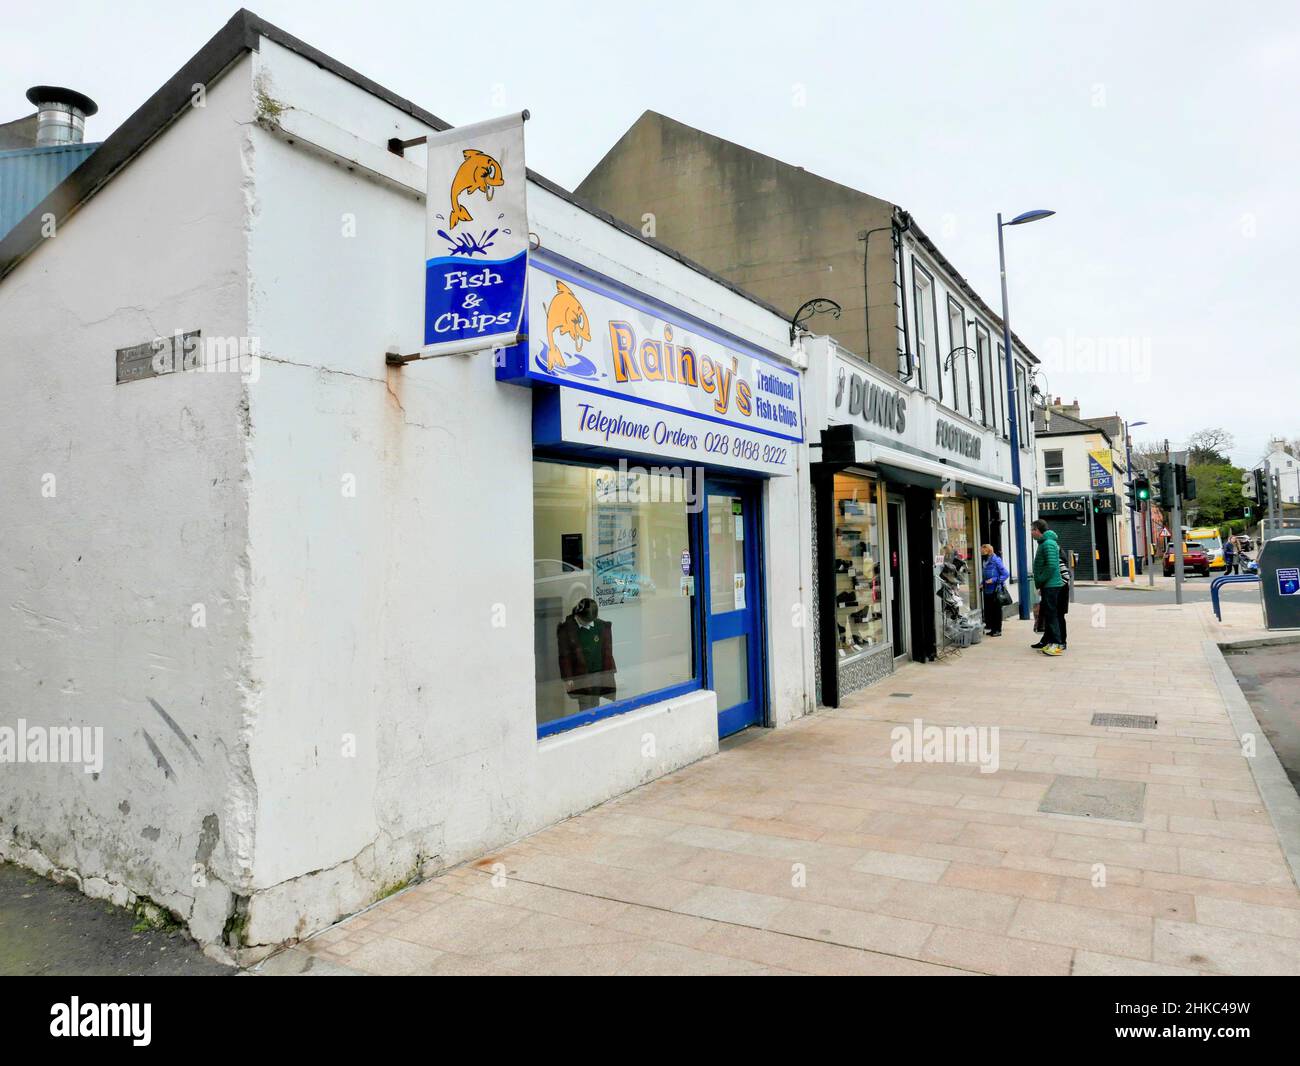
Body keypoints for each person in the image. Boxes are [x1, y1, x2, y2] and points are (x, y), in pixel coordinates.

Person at [1030, 519, 1066, 655]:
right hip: (1049, 584)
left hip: (1051, 585)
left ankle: (1056, 644)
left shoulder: (1048, 544)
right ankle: (1051, 641)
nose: (1031, 533)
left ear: (1037, 530)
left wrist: (1040, 579)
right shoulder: (1045, 543)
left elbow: (1051, 566)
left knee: (1052, 615)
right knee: (1049, 614)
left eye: (1032, 530)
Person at [980, 543, 1009, 636]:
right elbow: (985, 575)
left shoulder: (996, 560)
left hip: (996, 590)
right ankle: (993, 629)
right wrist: (982, 583)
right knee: (990, 610)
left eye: (982, 549)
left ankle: (998, 630)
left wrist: (993, 580)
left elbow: (1005, 574)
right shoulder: (986, 560)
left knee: (996, 610)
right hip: (987, 589)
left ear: (987, 550)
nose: (980, 551)